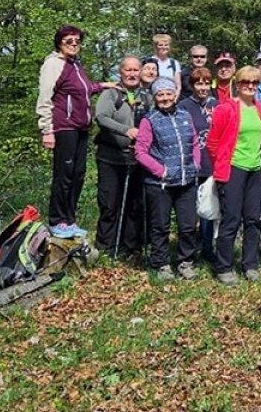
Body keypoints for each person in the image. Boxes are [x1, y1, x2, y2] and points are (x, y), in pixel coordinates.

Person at [35, 24, 114, 239]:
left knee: (78, 175)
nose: (73, 45)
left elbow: (84, 89)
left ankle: (69, 220)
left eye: (77, 41)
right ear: (59, 43)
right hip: (64, 127)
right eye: (69, 41)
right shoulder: (53, 64)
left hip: (81, 127)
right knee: (64, 175)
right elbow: (44, 98)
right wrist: (47, 130)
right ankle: (56, 220)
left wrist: (104, 85)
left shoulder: (76, 65)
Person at [133, 77, 208, 280]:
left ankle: (186, 262)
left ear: (175, 95)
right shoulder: (149, 120)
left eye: (168, 94)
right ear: (155, 97)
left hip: (186, 181)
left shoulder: (185, 115)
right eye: (160, 95)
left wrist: (196, 164)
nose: (165, 98)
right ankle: (162, 264)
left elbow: (194, 142)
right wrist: (162, 171)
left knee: (187, 225)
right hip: (161, 184)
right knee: (160, 226)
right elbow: (140, 152)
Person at [206, 66, 261, 284]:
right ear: (238, 84)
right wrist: (221, 164)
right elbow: (212, 143)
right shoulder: (226, 109)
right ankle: (223, 266)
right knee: (231, 218)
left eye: (254, 83)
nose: (250, 86)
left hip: (255, 170)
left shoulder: (260, 108)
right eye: (245, 83)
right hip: (233, 169)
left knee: (253, 219)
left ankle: (250, 264)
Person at [93, 55, 151, 260]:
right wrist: (126, 130)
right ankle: (106, 249)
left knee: (135, 206)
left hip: (137, 160)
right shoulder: (112, 94)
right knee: (110, 204)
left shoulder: (146, 95)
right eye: (128, 70)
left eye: (136, 70)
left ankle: (131, 248)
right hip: (111, 158)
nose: (133, 74)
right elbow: (101, 117)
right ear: (121, 72)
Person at [178, 66, 221, 264]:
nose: (203, 87)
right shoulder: (184, 105)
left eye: (206, 83)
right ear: (192, 85)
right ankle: (187, 249)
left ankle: (207, 246)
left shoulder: (217, 104)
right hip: (192, 163)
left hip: (212, 163)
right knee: (190, 209)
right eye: (198, 83)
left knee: (208, 208)